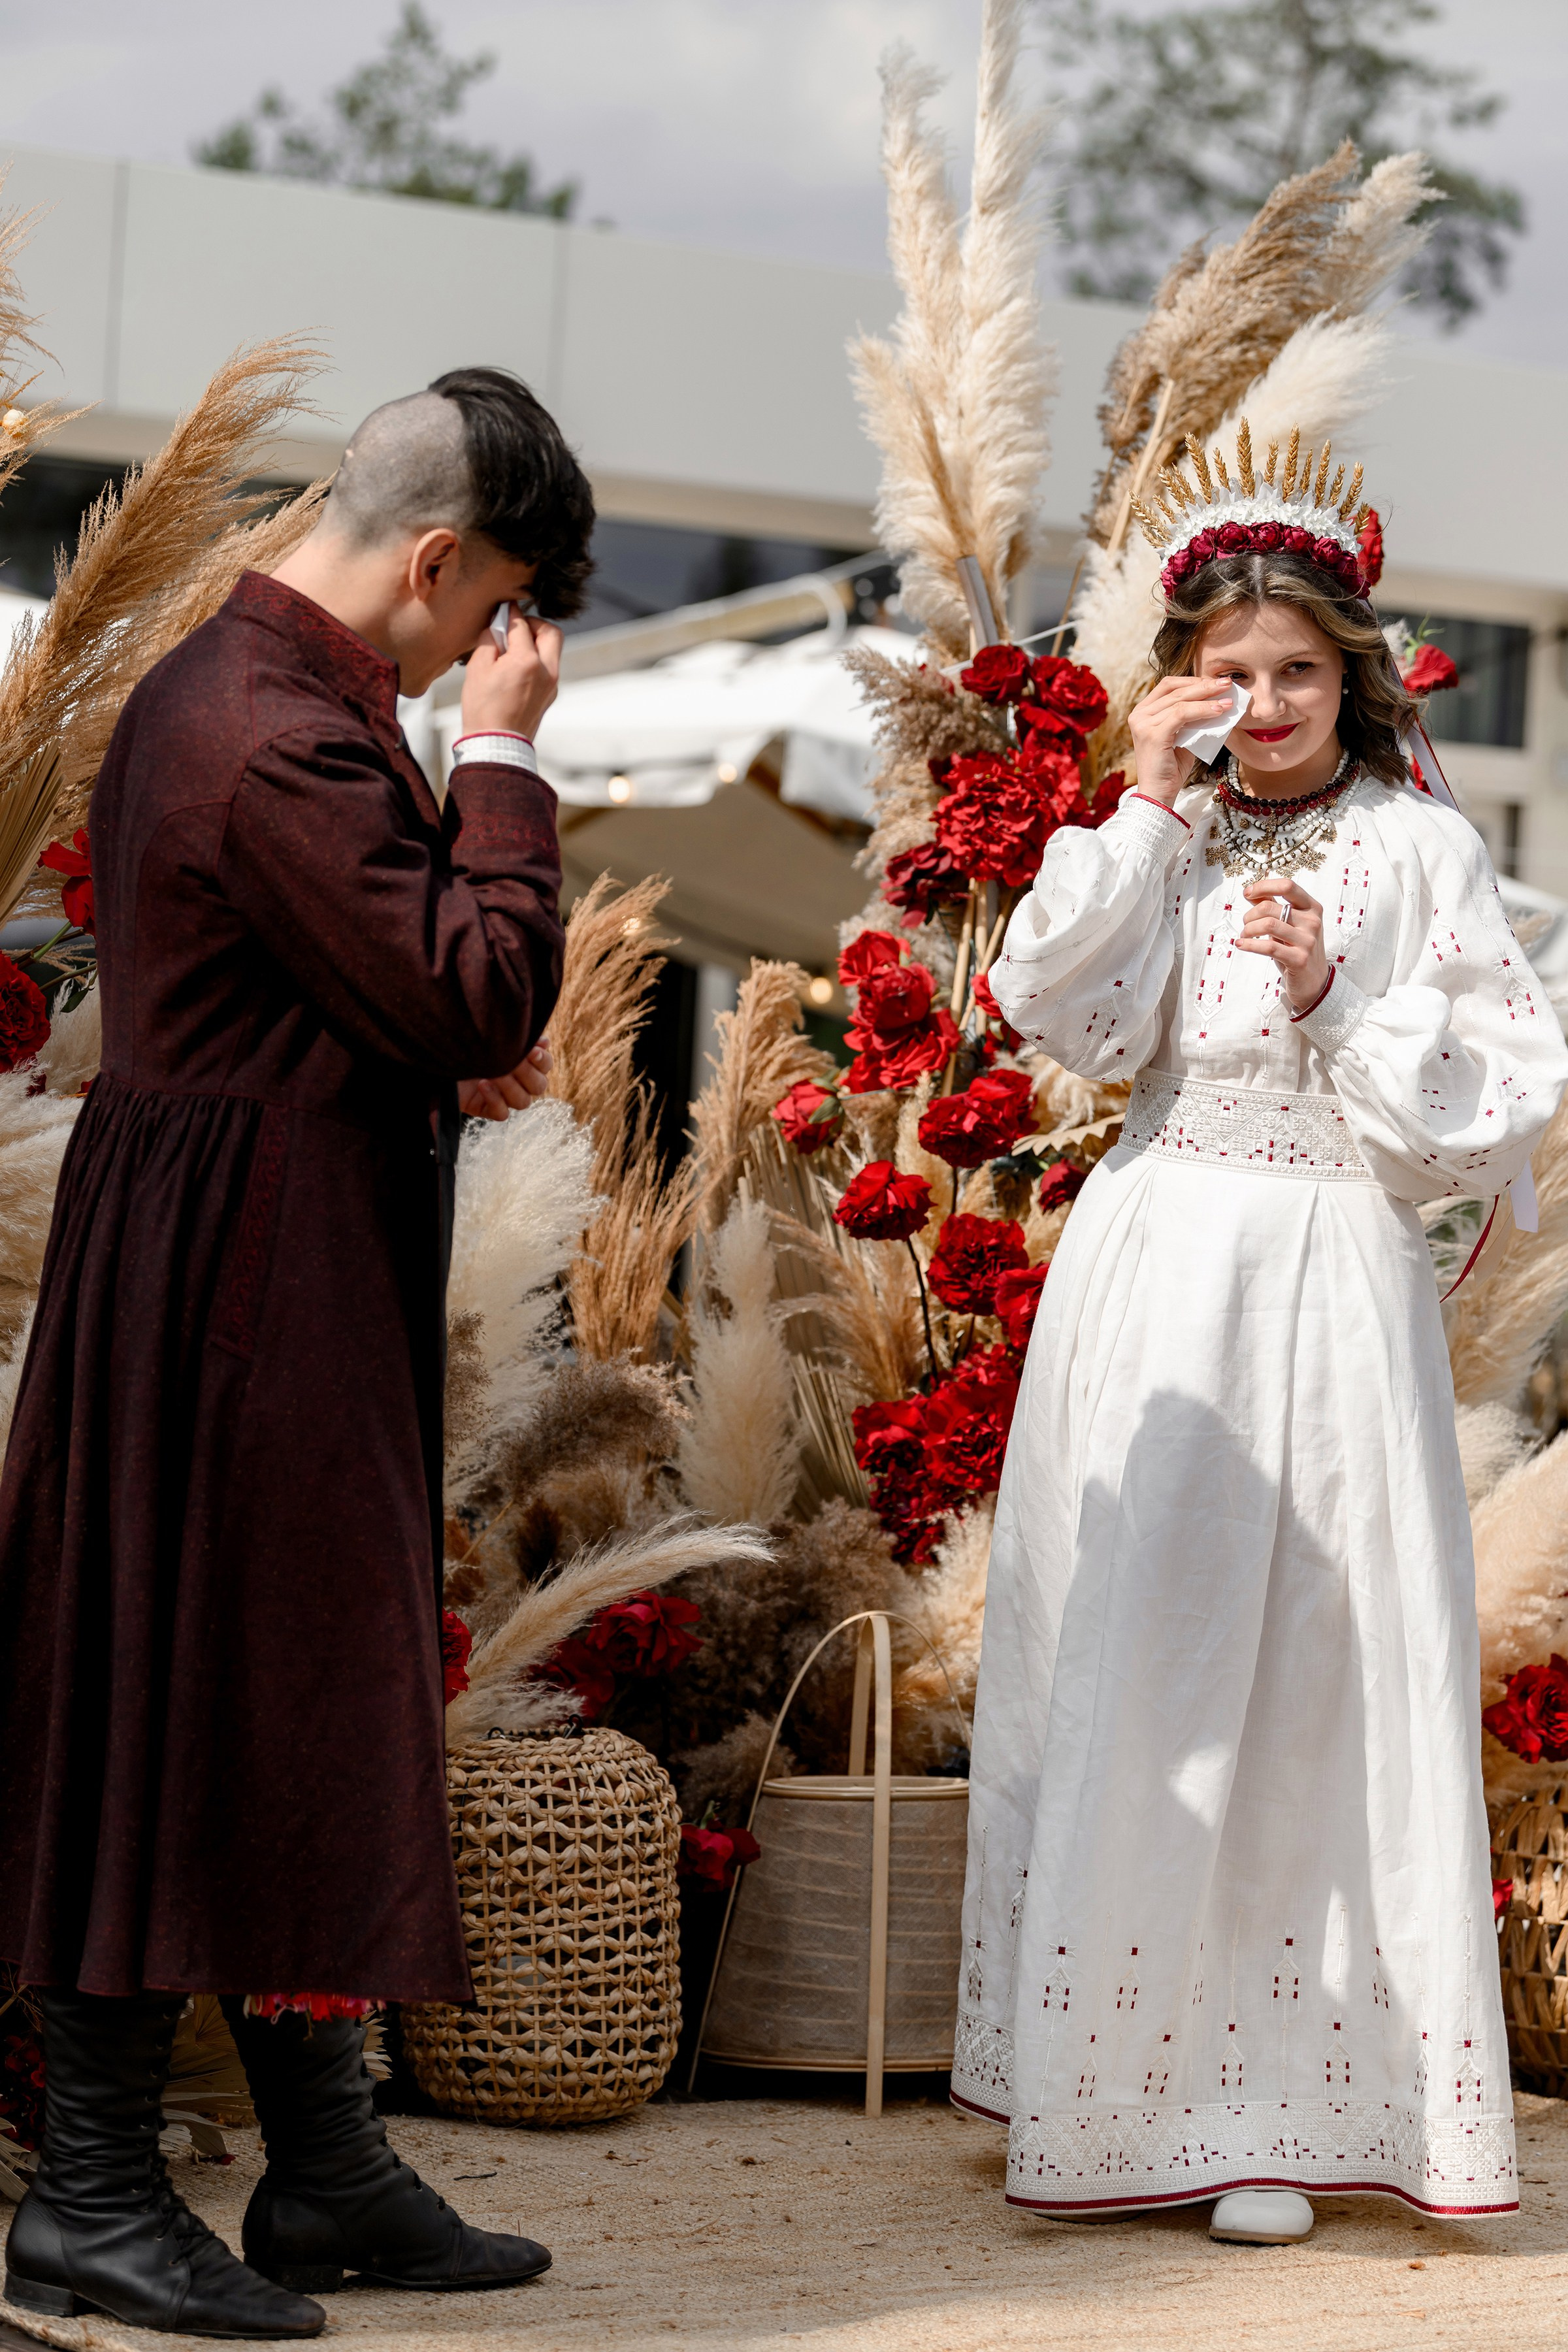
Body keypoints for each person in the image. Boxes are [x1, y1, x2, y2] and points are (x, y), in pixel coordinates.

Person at [0, 367, 593, 2333]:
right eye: (493, 609)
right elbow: (478, 980)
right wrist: (502, 763)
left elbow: (356, 985)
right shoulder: (279, 732)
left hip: (231, 1246)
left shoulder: (242, 692)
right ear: (436, 561)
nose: (488, 650)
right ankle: (92, 2195)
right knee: (186, 1701)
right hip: (245, 1274)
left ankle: (325, 2169)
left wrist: (410, 1031)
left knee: (284, 1703)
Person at [953, 424, 1568, 2244]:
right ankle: (1113, 2083)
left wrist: (1332, 992)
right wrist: (1144, 799)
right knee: (1142, 1649)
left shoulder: (1421, 848)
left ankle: (1278, 2106)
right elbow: (1050, 1003)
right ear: (1186, 678)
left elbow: (1495, 1096)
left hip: (1329, 1276)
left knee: (1315, 1665)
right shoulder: (1169, 831)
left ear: (1353, 677)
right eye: (1233, 670)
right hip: (1159, 1263)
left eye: (1300, 669)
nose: (1270, 703)